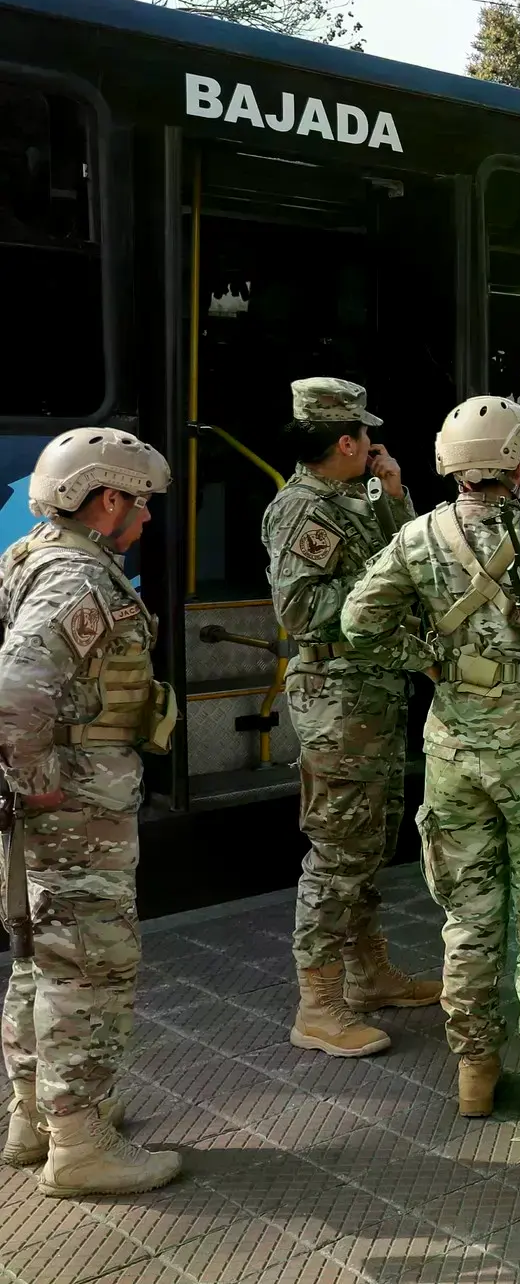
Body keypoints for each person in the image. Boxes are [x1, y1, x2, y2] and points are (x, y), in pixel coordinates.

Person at [342, 396, 520, 1133]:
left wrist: (428, 658)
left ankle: (474, 1075)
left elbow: (357, 620)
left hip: (453, 750)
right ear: (517, 461)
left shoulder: (420, 535)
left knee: (467, 920)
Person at [0, 428, 180, 1196]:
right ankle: (80, 1145)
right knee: (92, 964)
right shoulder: (81, 581)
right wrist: (38, 777)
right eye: (140, 504)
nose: (146, 520)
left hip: (59, 796)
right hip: (77, 802)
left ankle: (34, 1115)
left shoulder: (32, 554)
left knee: (41, 955)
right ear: (107, 499)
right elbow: (15, 690)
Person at [261, 378, 441, 1060]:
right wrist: (380, 588)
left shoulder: (353, 499)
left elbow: (409, 563)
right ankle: (319, 1003)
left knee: (367, 842)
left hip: (371, 693)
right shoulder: (301, 510)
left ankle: (369, 974)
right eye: (367, 436)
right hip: (337, 700)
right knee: (337, 851)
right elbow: (301, 612)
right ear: (345, 442)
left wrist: (394, 496)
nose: (374, 444)